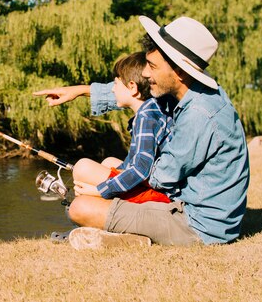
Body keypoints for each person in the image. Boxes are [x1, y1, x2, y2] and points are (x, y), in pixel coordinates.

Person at [34, 16, 250, 246]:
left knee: (81, 207)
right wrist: (79, 90)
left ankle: (129, 239)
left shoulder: (199, 114)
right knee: (107, 164)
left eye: (153, 67)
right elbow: (137, 94)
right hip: (182, 199)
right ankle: (123, 228)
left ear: (179, 71)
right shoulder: (189, 92)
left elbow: (159, 177)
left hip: (197, 223)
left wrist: (102, 189)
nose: (146, 73)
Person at [72, 51, 171, 206]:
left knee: (82, 168)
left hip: (158, 198)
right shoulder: (153, 108)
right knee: (108, 162)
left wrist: (100, 190)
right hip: (155, 188)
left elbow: (141, 169)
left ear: (132, 87)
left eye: (116, 84)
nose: (112, 90)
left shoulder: (146, 118)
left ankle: (100, 209)